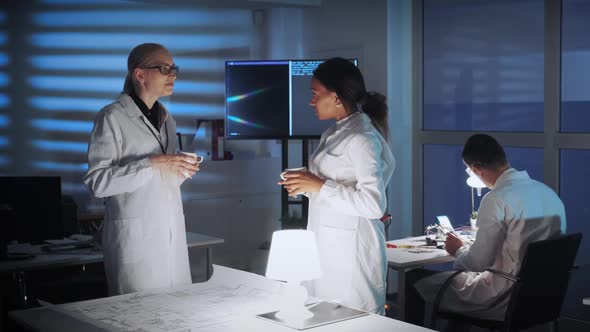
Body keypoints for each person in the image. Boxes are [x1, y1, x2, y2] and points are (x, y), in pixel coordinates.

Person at [407, 134, 566, 326]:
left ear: (476, 169)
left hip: (504, 295)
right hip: (543, 295)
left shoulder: (496, 199)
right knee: (456, 285)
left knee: (414, 279)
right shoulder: (548, 193)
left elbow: (477, 263)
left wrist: (457, 249)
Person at [278, 57, 395, 314]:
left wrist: (319, 185)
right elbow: (330, 187)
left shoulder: (362, 137)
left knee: (353, 320)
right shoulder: (333, 133)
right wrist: (305, 185)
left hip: (352, 255)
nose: (311, 101)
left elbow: (373, 205)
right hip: (327, 246)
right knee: (322, 315)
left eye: (315, 94)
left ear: (337, 96)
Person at [83, 43, 199, 295]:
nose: (173, 75)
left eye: (174, 68)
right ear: (140, 74)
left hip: (171, 239)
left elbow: (154, 180)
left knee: (178, 314)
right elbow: (98, 183)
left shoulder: (167, 118)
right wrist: (153, 162)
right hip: (136, 245)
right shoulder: (112, 117)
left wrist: (179, 169)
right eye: (164, 68)